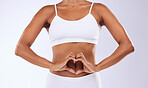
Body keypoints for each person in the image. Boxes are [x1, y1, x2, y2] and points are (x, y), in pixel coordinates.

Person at [15, 0, 135, 88]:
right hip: (57, 82)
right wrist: (51, 65)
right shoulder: (48, 11)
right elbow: (21, 48)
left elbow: (127, 45)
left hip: (89, 81)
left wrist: (98, 67)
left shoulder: (98, 9)